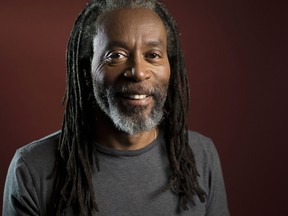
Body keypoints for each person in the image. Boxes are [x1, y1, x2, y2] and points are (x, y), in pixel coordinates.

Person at [3, 0, 230, 215]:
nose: (138, 72)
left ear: (170, 65)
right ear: (86, 68)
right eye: (116, 55)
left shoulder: (201, 155)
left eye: (153, 55)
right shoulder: (32, 168)